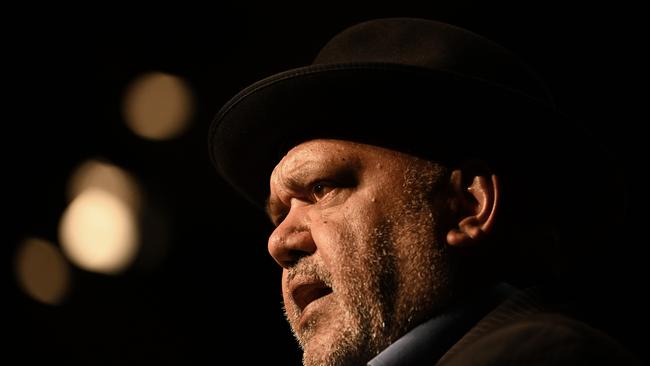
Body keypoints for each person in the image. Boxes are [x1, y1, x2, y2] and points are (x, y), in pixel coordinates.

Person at [209, 18, 641, 365]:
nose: (279, 241)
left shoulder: (535, 354)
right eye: (278, 213)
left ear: (468, 206)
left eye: (321, 189)